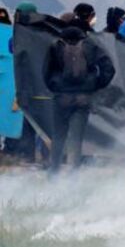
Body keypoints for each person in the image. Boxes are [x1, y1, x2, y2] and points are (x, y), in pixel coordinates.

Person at [42, 25, 115, 172]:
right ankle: (73, 173)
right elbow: (109, 69)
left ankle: (54, 172)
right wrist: (96, 84)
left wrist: (55, 87)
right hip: (83, 98)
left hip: (61, 98)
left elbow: (46, 71)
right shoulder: (91, 46)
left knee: (58, 136)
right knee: (77, 137)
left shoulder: (55, 46)